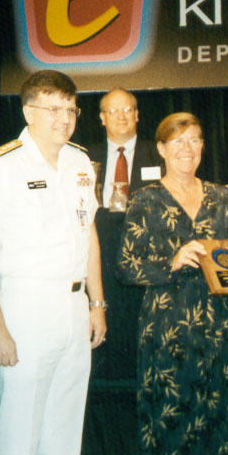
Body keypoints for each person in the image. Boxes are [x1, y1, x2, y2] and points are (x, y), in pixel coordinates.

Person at [0, 69, 107, 455]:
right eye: (53, 109)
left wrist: (97, 303)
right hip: (27, 307)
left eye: (71, 109)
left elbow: (88, 234)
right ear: (29, 112)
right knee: (20, 428)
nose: (64, 118)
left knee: (64, 430)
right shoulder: (0, 165)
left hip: (74, 307)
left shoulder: (80, 161)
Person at [119, 112, 228, 455]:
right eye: (177, 141)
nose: (187, 148)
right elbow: (126, 266)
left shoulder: (223, 198)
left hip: (221, 333)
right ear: (161, 148)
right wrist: (172, 262)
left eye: (194, 140)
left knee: (223, 427)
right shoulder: (145, 200)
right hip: (168, 332)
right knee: (170, 427)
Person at [87, 88, 162, 381]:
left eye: (127, 109)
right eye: (113, 111)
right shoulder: (82, 157)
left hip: (144, 256)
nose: (121, 116)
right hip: (100, 250)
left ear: (137, 115)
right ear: (102, 118)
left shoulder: (158, 154)